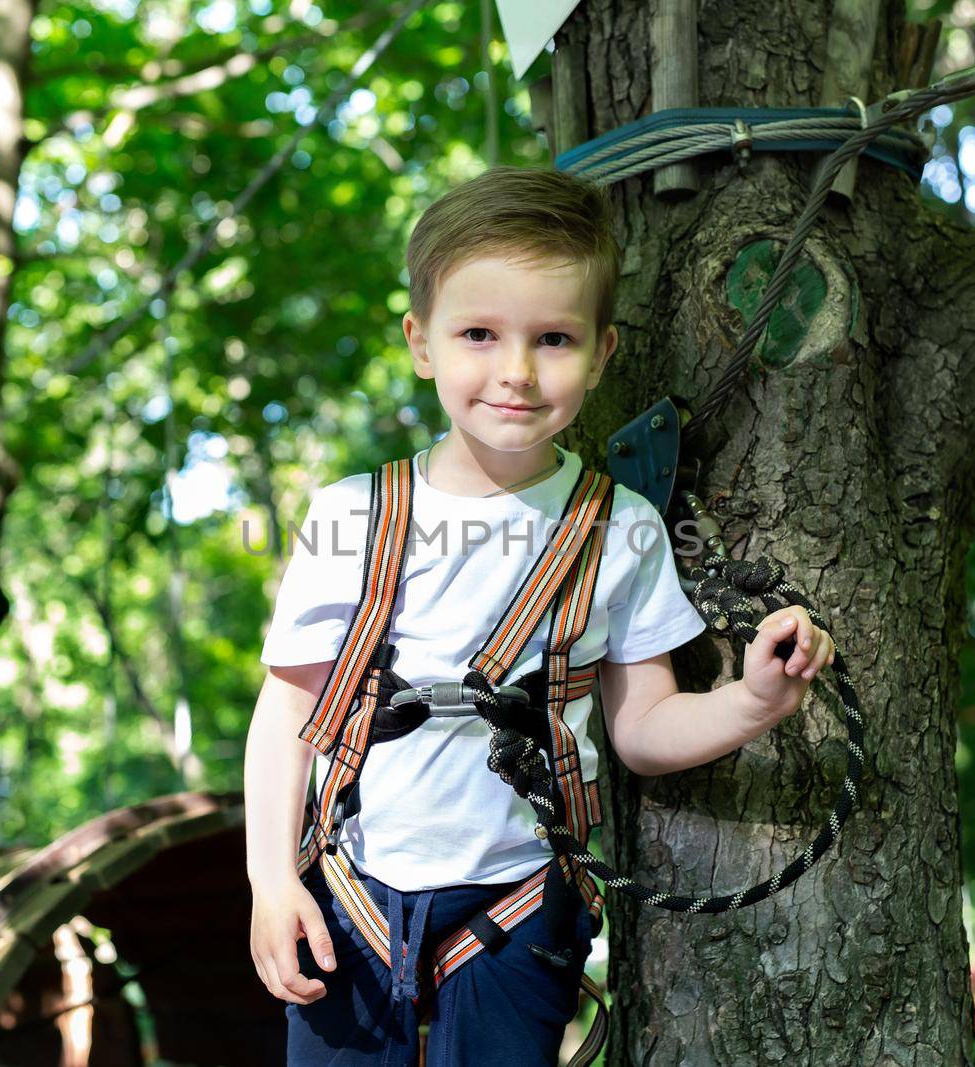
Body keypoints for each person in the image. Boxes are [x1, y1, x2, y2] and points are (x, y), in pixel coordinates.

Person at [244, 165, 836, 1066]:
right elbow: (289, 711)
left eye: (553, 338)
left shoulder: (621, 530)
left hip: (518, 906)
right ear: (421, 342)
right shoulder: (348, 516)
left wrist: (752, 701)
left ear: (602, 352)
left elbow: (640, 727)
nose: (516, 371)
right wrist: (270, 876)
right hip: (348, 895)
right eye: (479, 333)